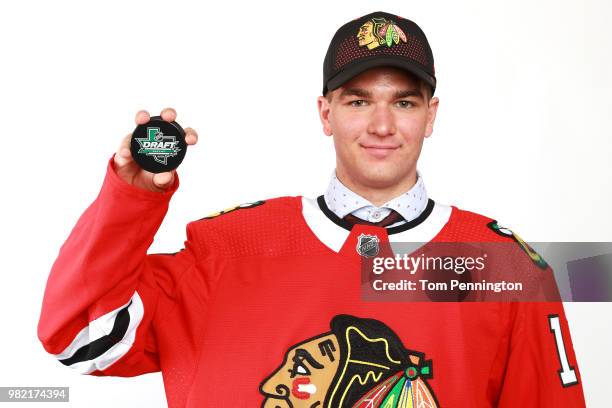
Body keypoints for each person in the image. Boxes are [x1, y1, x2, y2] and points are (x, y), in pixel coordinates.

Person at [38, 11, 586, 407]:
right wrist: (131, 197)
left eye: (403, 102)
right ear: (325, 113)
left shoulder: (502, 267)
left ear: (431, 114)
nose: (381, 126)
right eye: (357, 101)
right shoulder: (225, 250)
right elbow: (76, 341)